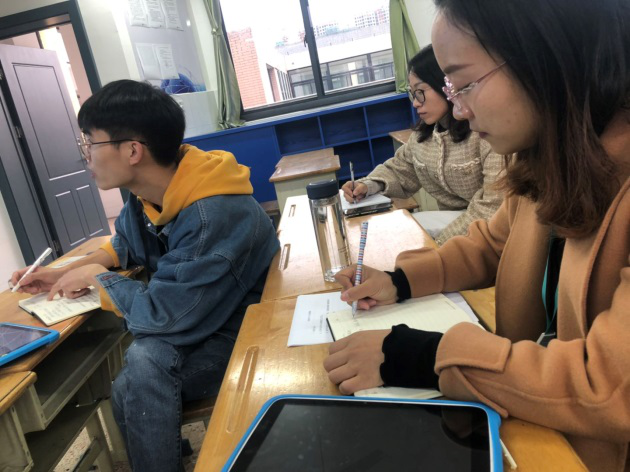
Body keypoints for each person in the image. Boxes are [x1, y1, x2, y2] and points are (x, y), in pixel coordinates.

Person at [324, 0, 630, 470]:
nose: (459, 109)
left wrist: (428, 357)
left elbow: (611, 386)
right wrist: (398, 281)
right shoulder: (549, 153)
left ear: (546, 57)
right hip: (537, 419)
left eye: (464, 85)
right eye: (450, 89)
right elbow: (491, 244)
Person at [10, 80, 279, 471]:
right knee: (132, 381)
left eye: (90, 143)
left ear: (133, 150)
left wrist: (99, 279)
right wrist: (65, 272)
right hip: (205, 318)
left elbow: (165, 318)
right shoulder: (155, 191)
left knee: (140, 371)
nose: (86, 156)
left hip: (245, 333)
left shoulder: (213, 214)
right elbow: (125, 244)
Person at [341, 44, 505, 245]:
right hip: (459, 228)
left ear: (446, 85)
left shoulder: (485, 134)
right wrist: (368, 185)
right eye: (412, 94)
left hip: (490, 231)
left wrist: (437, 247)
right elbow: (400, 170)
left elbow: (492, 207)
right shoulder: (424, 136)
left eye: (420, 92)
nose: (415, 103)